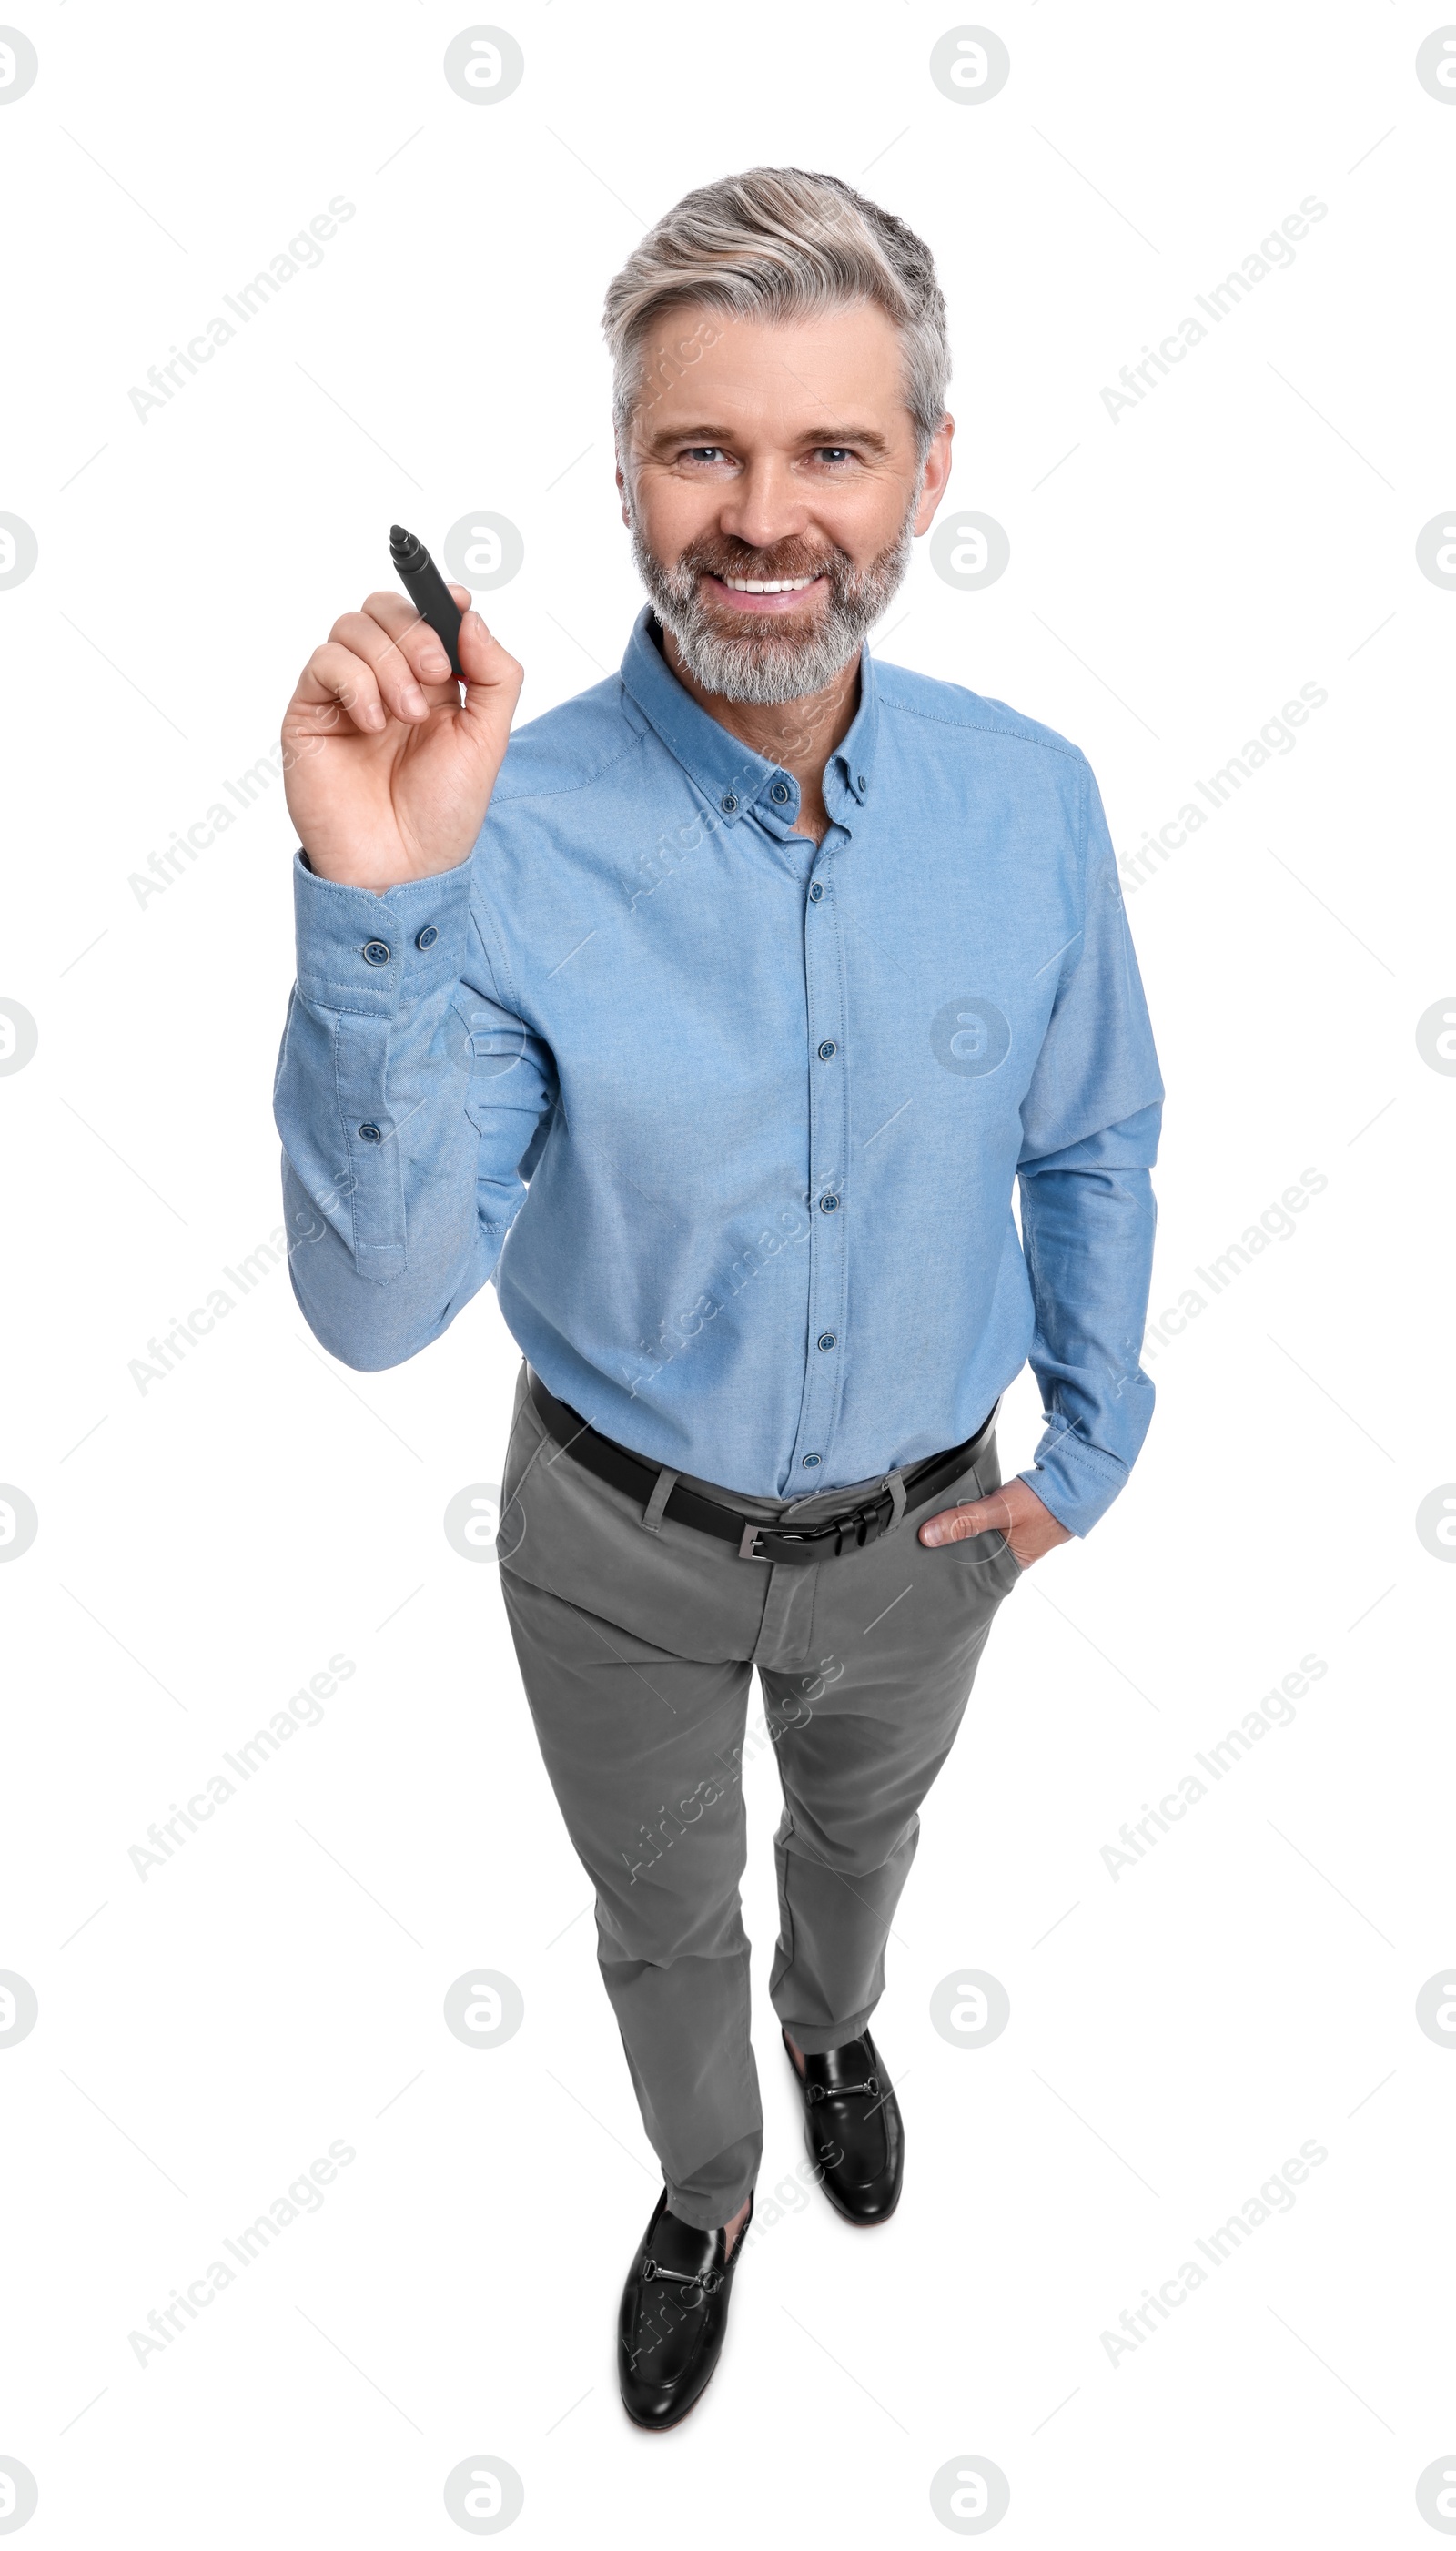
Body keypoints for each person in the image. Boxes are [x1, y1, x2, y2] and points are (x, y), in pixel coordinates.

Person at [273, 166, 1163, 2432]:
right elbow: (380, 1312)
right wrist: (380, 898)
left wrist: (1093, 1442)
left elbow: (1087, 1135)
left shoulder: (1030, 802)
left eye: (828, 451)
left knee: (853, 1858)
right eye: (702, 450)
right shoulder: (500, 824)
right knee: (659, 1920)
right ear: (625, 475)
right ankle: (708, 2180)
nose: (762, 517)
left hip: (924, 1541)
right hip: (610, 1548)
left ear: (926, 476)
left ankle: (837, 2027)